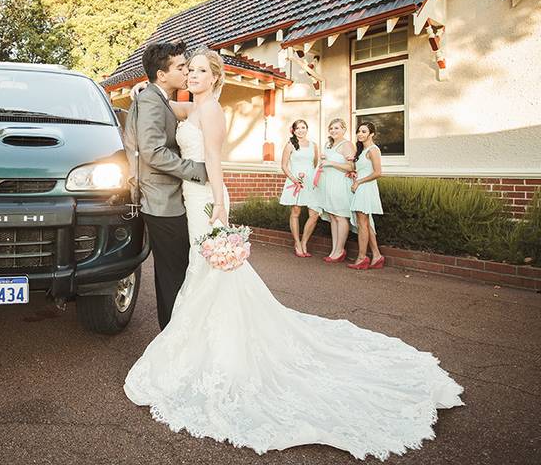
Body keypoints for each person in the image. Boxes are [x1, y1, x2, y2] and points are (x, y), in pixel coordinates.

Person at [123, 49, 463, 461]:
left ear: (214, 77)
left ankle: (216, 351)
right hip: (190, 197)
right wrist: (142, 91)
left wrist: (220, 205)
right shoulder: (191, 106)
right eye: (188, 69)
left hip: (206, 199)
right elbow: (161, 103)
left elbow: (212, 159)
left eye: (199, 70)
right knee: (205, 272)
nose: (191, 75)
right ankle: (202, 345)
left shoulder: (210, 111)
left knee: (213, 271)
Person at [122, 40, 208, 330]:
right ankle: (172, 336)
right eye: (181, 67)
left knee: (173, 272)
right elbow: (153, 152)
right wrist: (196, 170)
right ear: (162, 74)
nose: (186, 72)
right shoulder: (151, 100)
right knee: (173, 274)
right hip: (161, 199)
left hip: (168, 196)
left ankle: (174, 332)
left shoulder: (155, 98)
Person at [278, 120, 321, 257]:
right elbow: (284, 166)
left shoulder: (313, 145)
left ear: (307, 129)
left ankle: (304, 242)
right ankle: (297, 243)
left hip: (310, 182)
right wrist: (294, 179)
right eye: (298, 128)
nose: (301, 130)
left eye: (303, 127)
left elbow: (315, 164)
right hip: (296, 181)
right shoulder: (290, 145)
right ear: (294, 130)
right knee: (296, 212)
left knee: (314, 214)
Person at [315, 118, 355, 263]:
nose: (333, 131)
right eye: (331, 128)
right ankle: (334, 250)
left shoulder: (347, 145)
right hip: (328, 184)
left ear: (343, 129)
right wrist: (323, 160)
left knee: (340, 216)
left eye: (336, 128)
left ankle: (340, 250)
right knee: (332, 216)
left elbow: (351, 167)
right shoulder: (328, 145)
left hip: (340, 184)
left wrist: (331, 162)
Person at [349, 122, 385, 269]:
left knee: (362, 224)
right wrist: (354, 174)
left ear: (372, 134)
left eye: (364, 131)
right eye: (358, 131)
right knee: (366, 223)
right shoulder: (362, 151)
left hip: (366, 188)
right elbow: (364, 169)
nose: (360, 134)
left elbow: (378, 173)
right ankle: (377, 256)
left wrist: (359, 181)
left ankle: (362, 257)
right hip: (360, 187)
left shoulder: (373, 150)